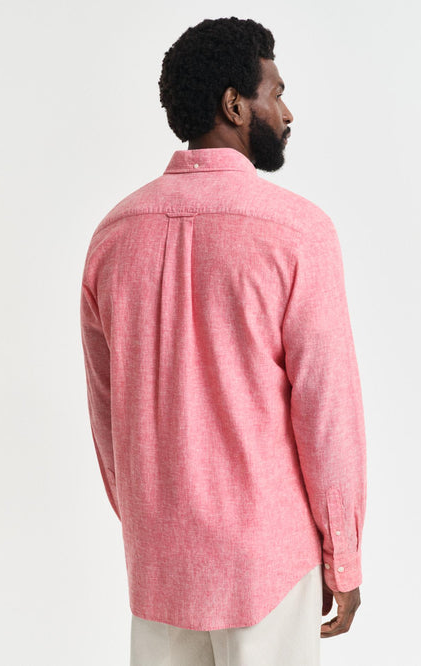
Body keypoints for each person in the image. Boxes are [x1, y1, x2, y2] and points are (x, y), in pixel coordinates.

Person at [80, 16, 367, 666]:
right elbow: (327, 414)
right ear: (234, 105)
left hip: (159, 569)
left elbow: (108, 416)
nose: (286, 113)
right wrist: (343, 556)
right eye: (275, 93)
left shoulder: (113, 237)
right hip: (268, 568)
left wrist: (154, 525)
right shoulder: (297, 232)